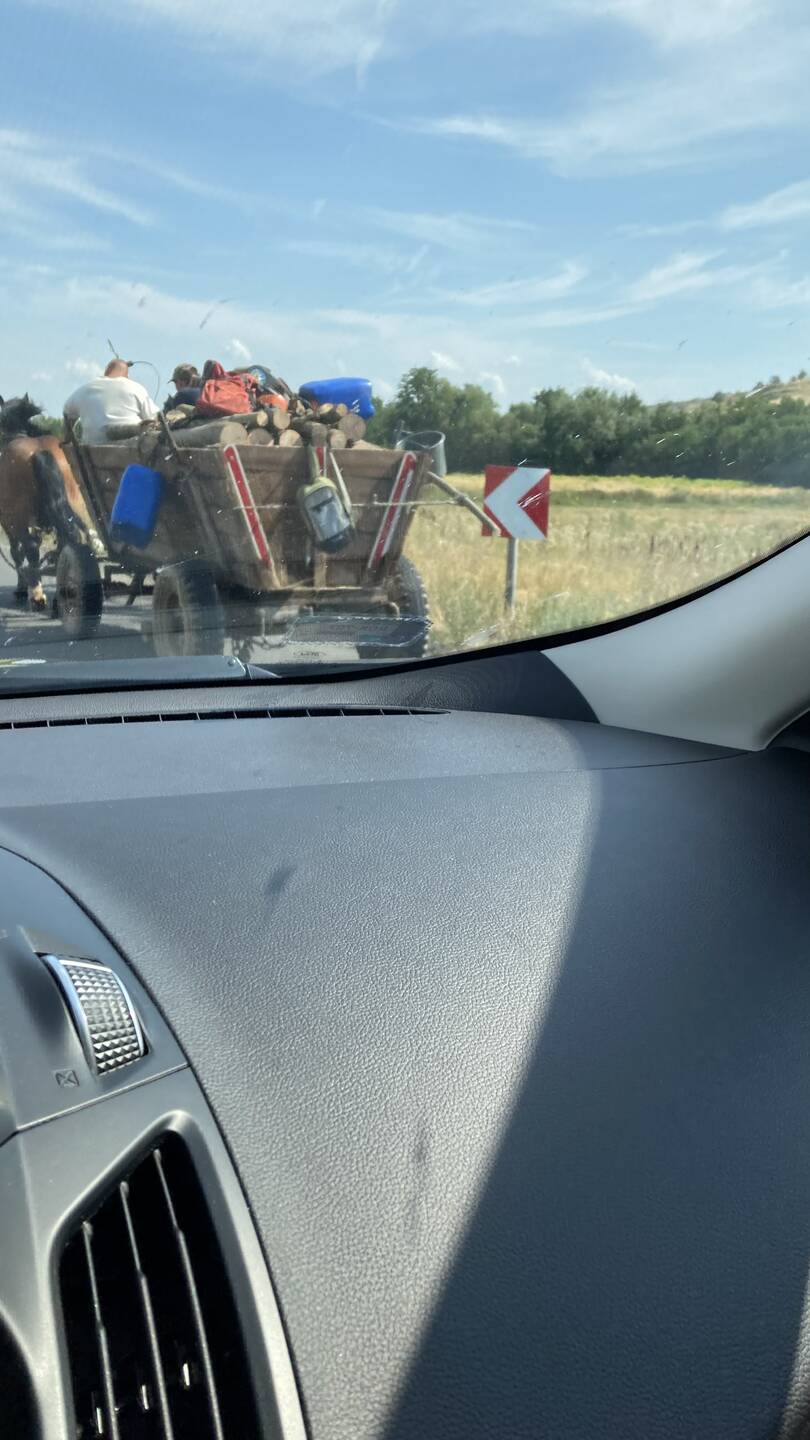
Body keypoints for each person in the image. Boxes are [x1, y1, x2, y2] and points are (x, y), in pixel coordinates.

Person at [63, 360, 159, 444]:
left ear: (106, 372)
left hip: (91, 453)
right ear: (127, 375)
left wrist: (67, 438)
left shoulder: (84, 390)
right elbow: (153, 418)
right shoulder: (136, 388)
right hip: (134, 451)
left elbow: (68, 414)